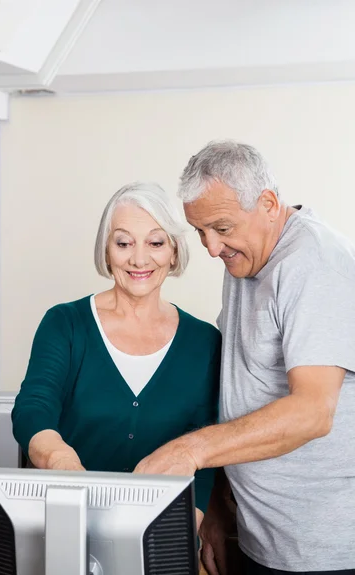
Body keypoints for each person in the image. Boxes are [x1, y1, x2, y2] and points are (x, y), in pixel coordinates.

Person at [134, 141, 355, 575]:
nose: (212, 247)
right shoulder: (246, 254)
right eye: (200, 231)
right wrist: (216, 503)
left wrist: (191, 453)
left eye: (221, 228)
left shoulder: (313, 264)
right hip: (261, 538)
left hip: (320, 553)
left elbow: (313, 411)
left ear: (269, 204)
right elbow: (240, 387)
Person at [11, 181, 221, 527]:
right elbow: (34, 408)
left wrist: (192, 526)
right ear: (106, 251)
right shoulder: (66, 324)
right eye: (123, 242)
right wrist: (60, 459)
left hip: (164, 531)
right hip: (71, 523)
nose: (139, 258)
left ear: (173, 251)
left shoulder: (204, 342)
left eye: (155, 242)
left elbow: (206, 443)